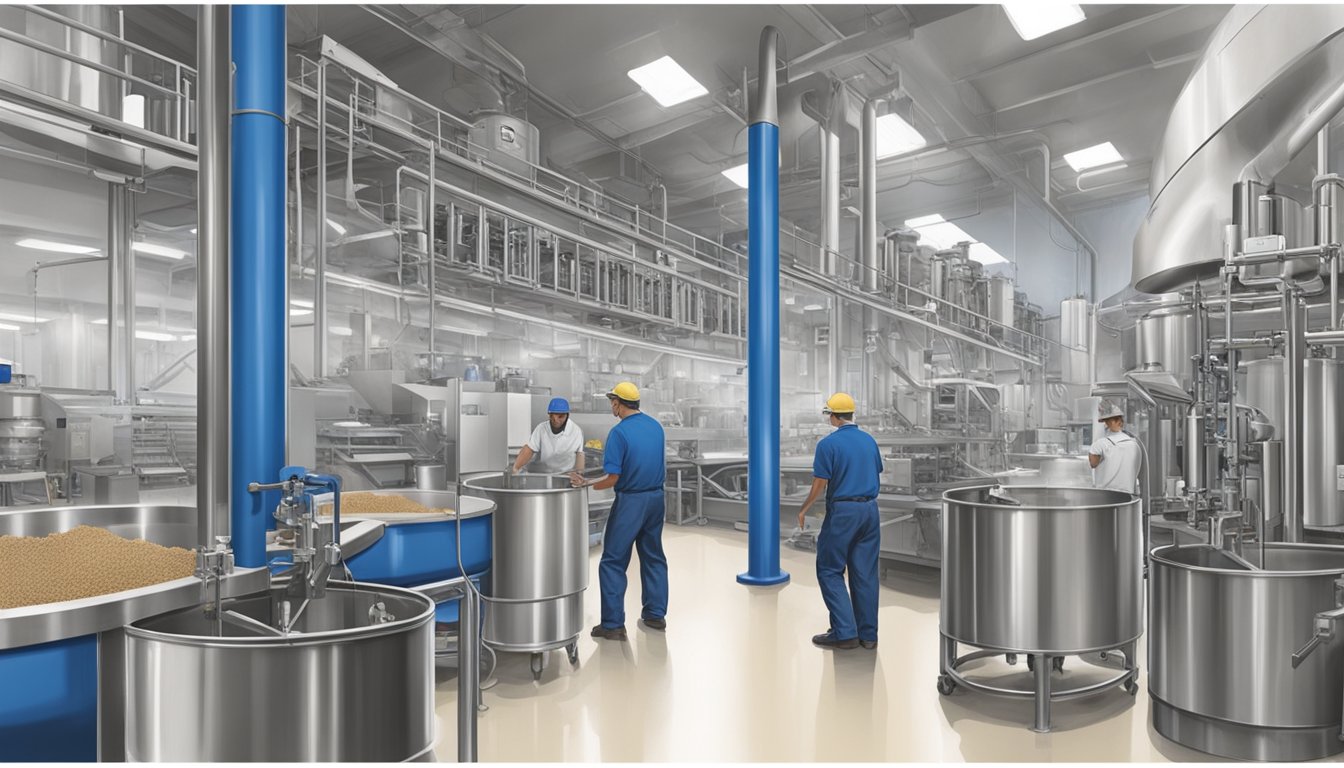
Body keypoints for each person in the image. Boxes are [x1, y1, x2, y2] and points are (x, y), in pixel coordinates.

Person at [570, 382, 667, 641]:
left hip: (631, 502)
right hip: (657, 499)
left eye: (611, 401)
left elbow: (612, 478)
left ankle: (613, 625)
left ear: (617, 403)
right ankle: (655, 615)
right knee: (653, 555)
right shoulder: (656, 427)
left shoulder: (619, 433)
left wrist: (587, 483)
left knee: (613, 561)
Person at [796, 392, 883, 651]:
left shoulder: (828, 445)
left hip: (844, 512)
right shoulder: (869, 441)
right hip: (870, 511)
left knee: (829, 569)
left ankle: (844, 632)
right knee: (865, 573)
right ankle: (868, 635)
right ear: (852, 415)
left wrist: (804, 509)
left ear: (832, 416)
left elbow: (820, 483)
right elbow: (875, 470)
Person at [511, 397, 585, 475]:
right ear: (549, 415)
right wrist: (516, 468)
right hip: (545, 473)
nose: (556, 420)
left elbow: (579, 454)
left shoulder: (576, 431)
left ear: (567, 415)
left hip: (567, 475)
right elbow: (529, 448)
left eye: (560, 417)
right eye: (552, 417)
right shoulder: (541, 428)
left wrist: (579, 474)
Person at [1089, 401, 1141, 494]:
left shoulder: (1101, 444)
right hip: (1128, 495)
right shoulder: (1135, 444)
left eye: (1105, 422)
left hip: (1106, 497)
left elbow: (1093, 463)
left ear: (1111, 422)